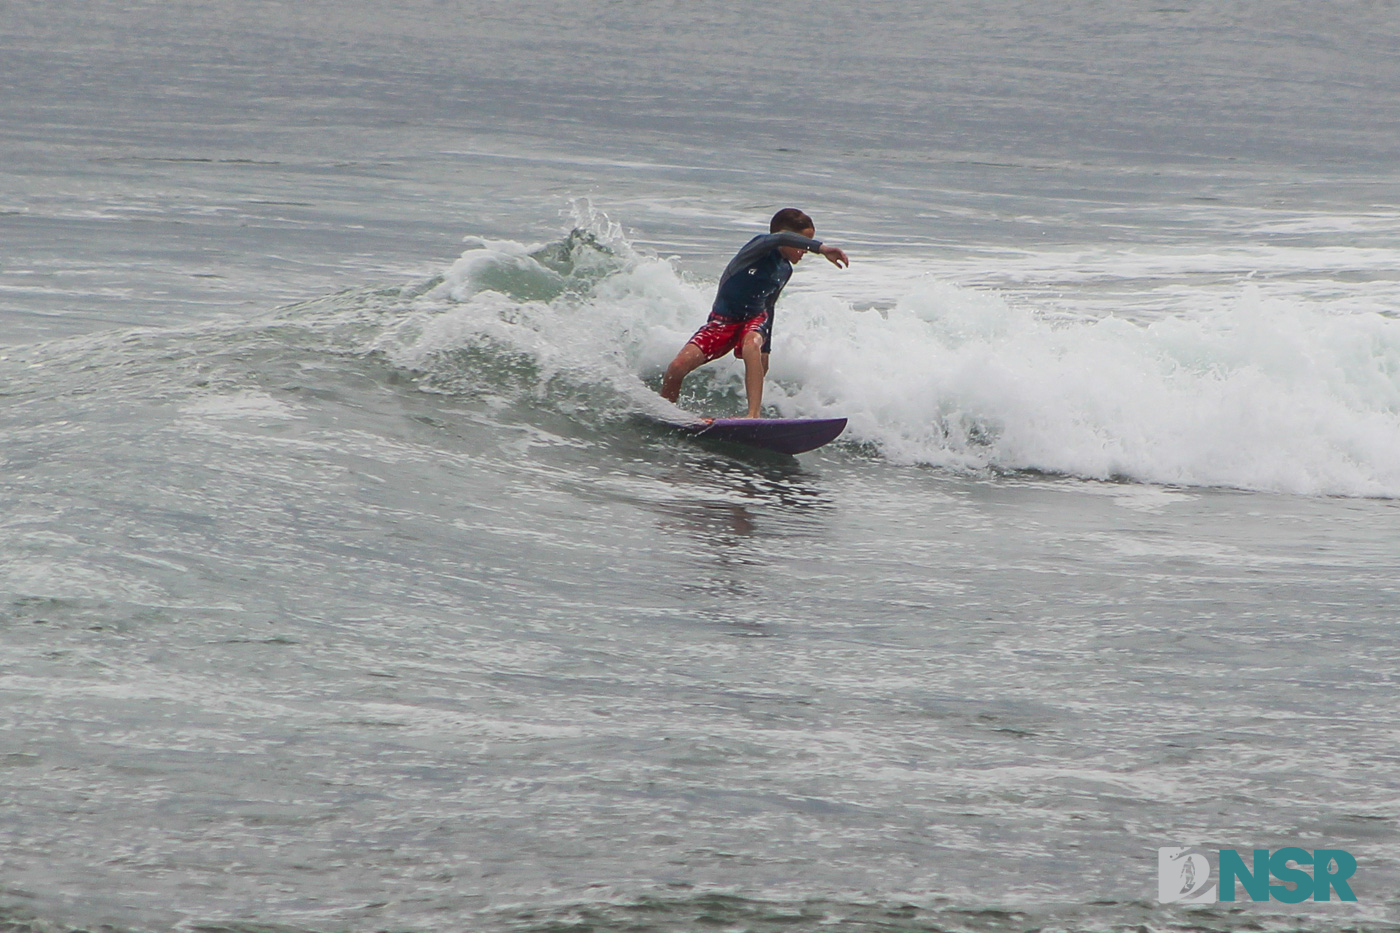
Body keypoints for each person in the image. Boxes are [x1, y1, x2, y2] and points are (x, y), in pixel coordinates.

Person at [660, 208, 850, 418]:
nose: (804, 250)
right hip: (722, 322)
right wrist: (821, 249)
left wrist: (765, 349)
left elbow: (770, 305)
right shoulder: (758, 247)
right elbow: (778, 237)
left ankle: (753, 415)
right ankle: (668, 414)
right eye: (801, 244)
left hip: (754, 319)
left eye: (807, 245)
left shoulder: (785, 270)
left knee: (752, 345)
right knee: (676, 368)